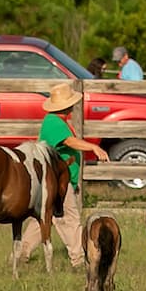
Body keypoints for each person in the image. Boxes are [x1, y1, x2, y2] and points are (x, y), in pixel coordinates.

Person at [32, 82, 103, 270]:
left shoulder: (57, 121)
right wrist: (93, 147)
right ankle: (79, 259)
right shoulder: (54, 122)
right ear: (67, 105)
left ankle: (21, 254)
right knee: (69, 218)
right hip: (57, 180)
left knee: (41, 220)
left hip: (57, 179)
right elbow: (69, 141)